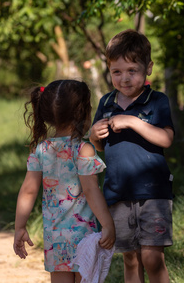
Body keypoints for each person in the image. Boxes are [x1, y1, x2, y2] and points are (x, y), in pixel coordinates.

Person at [90, 29, 175, 283]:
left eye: (132, 71)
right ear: (109, 70)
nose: (124, 78)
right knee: (130, 257)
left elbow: (167, 139)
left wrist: (132, 122)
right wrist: (94, 135)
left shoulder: (156, 101)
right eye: (117, 72)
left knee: (152, 257)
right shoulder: (106, 102)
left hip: (153, 192)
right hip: (118, 191)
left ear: (148, 68)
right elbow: (101, 147)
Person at [13, 80, 116, 283]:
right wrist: (107, 224)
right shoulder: (83, 150)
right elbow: (90, 190)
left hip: (55, 239)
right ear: (84, 113)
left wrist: (20, 227)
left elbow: (28, 191)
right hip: (83, 237)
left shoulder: (41, 150)